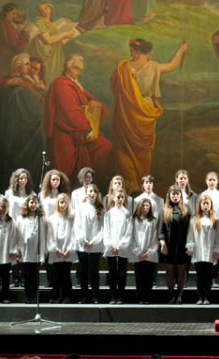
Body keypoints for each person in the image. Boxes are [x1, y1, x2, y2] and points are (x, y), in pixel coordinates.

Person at [110, 38, 188, 191]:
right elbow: (172, 65)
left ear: (136, 52)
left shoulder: (124, 67)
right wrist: (182, 49)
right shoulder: (153, 66)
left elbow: (114, 87)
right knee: (144, 149)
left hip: (127, 111)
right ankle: (142, 180)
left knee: (124, 146)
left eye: (132, 50)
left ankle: (130, 181)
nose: (131, 53)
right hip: (145, 110)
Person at [46, 55, 114, 183]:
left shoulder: (72, 84)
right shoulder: (62, 84)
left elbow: (90, 100)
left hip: (78, 131)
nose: (77, 72)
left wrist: (95, 103)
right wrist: (88, 130)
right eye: (75, 68)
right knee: (102, 149)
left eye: (79, 70)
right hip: (67, 136)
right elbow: (71, 112)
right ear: (68, 67)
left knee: (105, 148)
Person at [0, 53, 47, 178]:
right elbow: (33, 107)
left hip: (23, 125)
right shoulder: (19, 84)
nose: (29, 67)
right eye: (27, 64)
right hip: (21, 127)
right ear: (18, 67)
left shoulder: (26, 81)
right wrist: (41, 90)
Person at [29, 2, 79, 88]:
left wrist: (63, 22)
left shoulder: (47, 21)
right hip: (46, 55)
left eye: (45, 8)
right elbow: (48, 40)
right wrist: (65, 33)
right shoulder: (40, 22)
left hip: (54, 52)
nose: (44, 11)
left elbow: (55, 34)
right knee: (49, 76)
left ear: (50, 8)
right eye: (41, 10)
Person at [186, 195, 219, 305]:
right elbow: (190, 235)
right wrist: (190, 248)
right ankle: (200, 297)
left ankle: (206, 297)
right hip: (198, 250)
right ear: (200, 205)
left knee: (208, 275)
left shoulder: (215, 220)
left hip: (210, 251)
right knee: (200, 275)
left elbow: (217, 237)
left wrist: (216, 250)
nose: (205, 206)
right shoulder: (194, 219)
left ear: (210, 205)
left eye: (207, 203)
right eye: (203, 203)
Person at [159, 185, 191, 304]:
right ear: (169, 195)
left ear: (180, 196)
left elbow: (190, 230)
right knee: (170, 271)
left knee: (181, 270)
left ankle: (180, 295)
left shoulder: (186, 210)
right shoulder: (164, 211)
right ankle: (172, 295)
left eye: (177, 194)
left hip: (183, 246)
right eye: (173, 194)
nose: (175, 196)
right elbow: (160, 229)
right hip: (168, 246)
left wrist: (190, 246)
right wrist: (162, 243)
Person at [74, 182, 105, 303]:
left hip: (95, 245)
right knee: (83, 271)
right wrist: (83, 239)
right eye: (90, 191)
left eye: (94, 192)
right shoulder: (80, 208)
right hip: (83, 244)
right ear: (86, 194)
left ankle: (95, 295)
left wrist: (94, 241)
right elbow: (77, 226)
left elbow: (103, 228)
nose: (92, 194)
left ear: (97, 194)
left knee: (94, 271)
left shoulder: (101, 209)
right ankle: (85, 296)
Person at [0, 198, 21, 304]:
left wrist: (13, 250)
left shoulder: (11, 221)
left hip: (6, 252)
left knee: (5, 276)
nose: (2, 209)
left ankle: (6, 296)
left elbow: (15, 237)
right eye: (0, 207)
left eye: (4, 207)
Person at [103, 189, 133, 304]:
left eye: (122, 197)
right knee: (112, 272)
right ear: (113, 198)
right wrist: (111, 245)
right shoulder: (108, 214)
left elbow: (128, 232)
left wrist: (120, 245)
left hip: (122, 247)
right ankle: (113, 295)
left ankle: (120, 295)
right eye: (118, 197)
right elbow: (107, 231)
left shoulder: (127, 214)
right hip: (111, 247)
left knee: (121, 271)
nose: (120, 199)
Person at [46, 194, 77, 303]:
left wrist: (69, 249)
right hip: (57, 251)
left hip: (67, 251)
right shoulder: (52, 219)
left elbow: (74, 234)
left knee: (66, 275)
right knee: (56, 275)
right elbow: (49, 236)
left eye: (64, 202)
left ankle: (67, 296)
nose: (62, 204)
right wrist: (55, 249)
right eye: (60, 202)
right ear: (57, 204)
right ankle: (56, 296)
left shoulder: (71, 218)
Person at [17, 194, 46, 303]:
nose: (33, 205)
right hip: (25, 251)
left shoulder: (41, 218)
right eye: (31, 202)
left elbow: (42, 236)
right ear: (27, 204)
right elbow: (18, 235)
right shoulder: (21, 218)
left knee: (34, 276)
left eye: (35, 203)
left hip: (36, 251)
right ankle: (27, 296)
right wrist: (18, 250)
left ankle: (34, 296)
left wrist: (42, 252)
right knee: (26, 275)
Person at [130, 198, 159, 304]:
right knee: (139, 276)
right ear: (139, 207)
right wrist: (138, 252)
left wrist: (148, 252)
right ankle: (140, 298)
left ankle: (147, 297)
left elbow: (155, 238)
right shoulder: (134, 219)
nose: (145, 208)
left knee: (148, 276)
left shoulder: (154, 220)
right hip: (137, 253)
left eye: (147, 206)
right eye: (143, 206)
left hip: (149, 254)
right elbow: (132, 236)